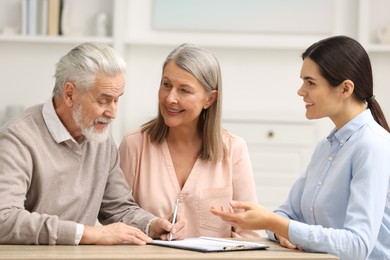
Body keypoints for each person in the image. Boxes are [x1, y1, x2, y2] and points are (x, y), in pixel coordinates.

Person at [210, 35, 390, 260]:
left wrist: (280, 226)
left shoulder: (373, 146)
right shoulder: (326, 148)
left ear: (345, 89)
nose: (301, 91)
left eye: (310, 82)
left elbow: (357, 245)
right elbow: (286, 213)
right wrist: (282, 231)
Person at [0, 42, 185, 245]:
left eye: (117, 100)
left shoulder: (100, 137)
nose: (112, 113)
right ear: (70, 94)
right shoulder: (18, 139)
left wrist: (151, 225)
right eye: (103, 100)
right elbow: (4, 219)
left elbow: (118, 207)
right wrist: (89, 233)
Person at [119, 43, 260, 238]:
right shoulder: (134, 145)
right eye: (166, 84)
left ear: (209, 99)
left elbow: (250, 232)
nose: (170, 98)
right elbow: (117, 217)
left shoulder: (234, 149)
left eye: (184, 90)